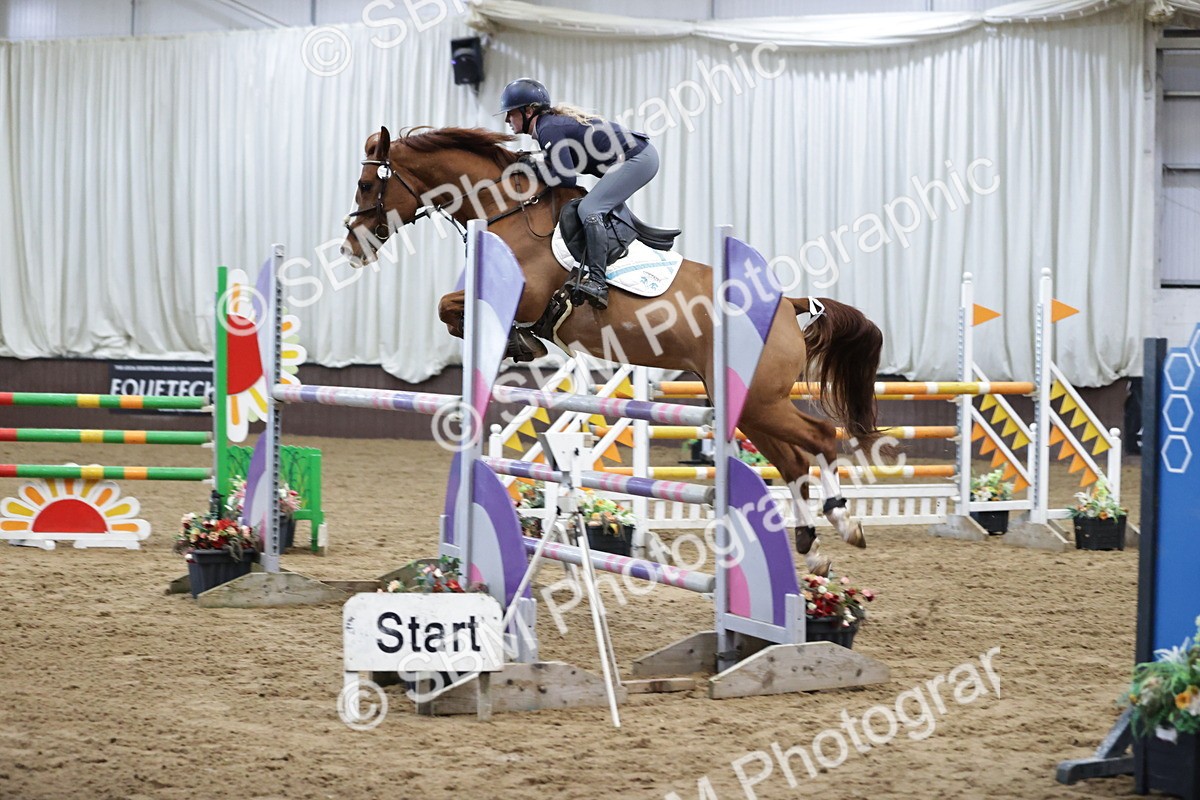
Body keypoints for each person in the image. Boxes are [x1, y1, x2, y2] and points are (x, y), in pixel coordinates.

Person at [499, 77, 658, 310]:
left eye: (511, 112)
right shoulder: (548, 126)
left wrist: (532, 168)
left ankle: (598, 282)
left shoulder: (548, 127)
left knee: (589, 208)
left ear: (529, 110)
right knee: (593, 206)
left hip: (638, 158)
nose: (506, 119)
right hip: (634, 157)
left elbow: (565, 178)